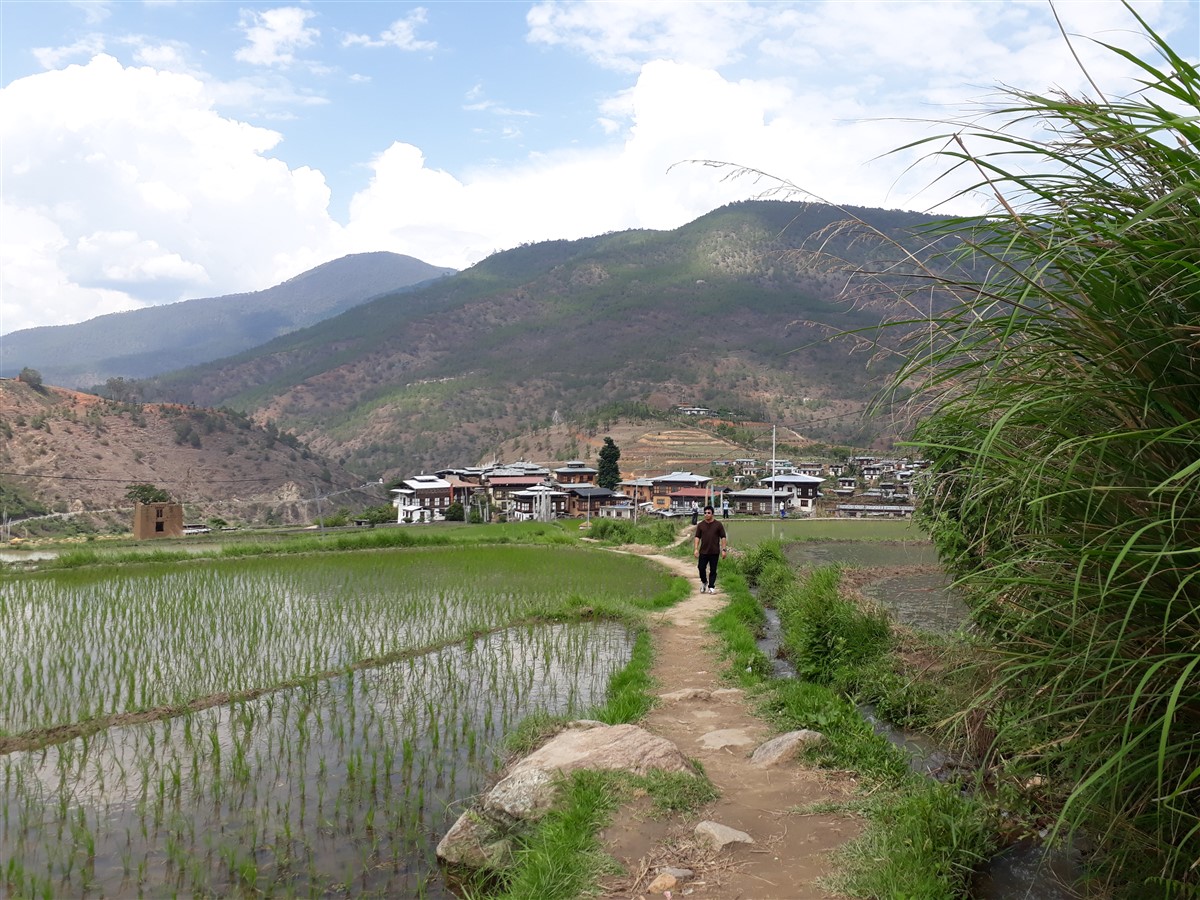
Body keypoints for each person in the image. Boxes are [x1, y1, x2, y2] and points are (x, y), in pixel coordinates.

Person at [693, 504, 728, 593]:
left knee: (713, 570)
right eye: (705, 513)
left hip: (714, 551)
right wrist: (696, 549)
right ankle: (704, 582)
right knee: (701, 568)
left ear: (712, 514)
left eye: (708, 513)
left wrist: (723, 550)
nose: (706, 514)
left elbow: (723, 537)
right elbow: (697, 537)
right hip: (703, 551)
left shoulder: (718, 525)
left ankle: (711, 586)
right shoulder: (701, 525)